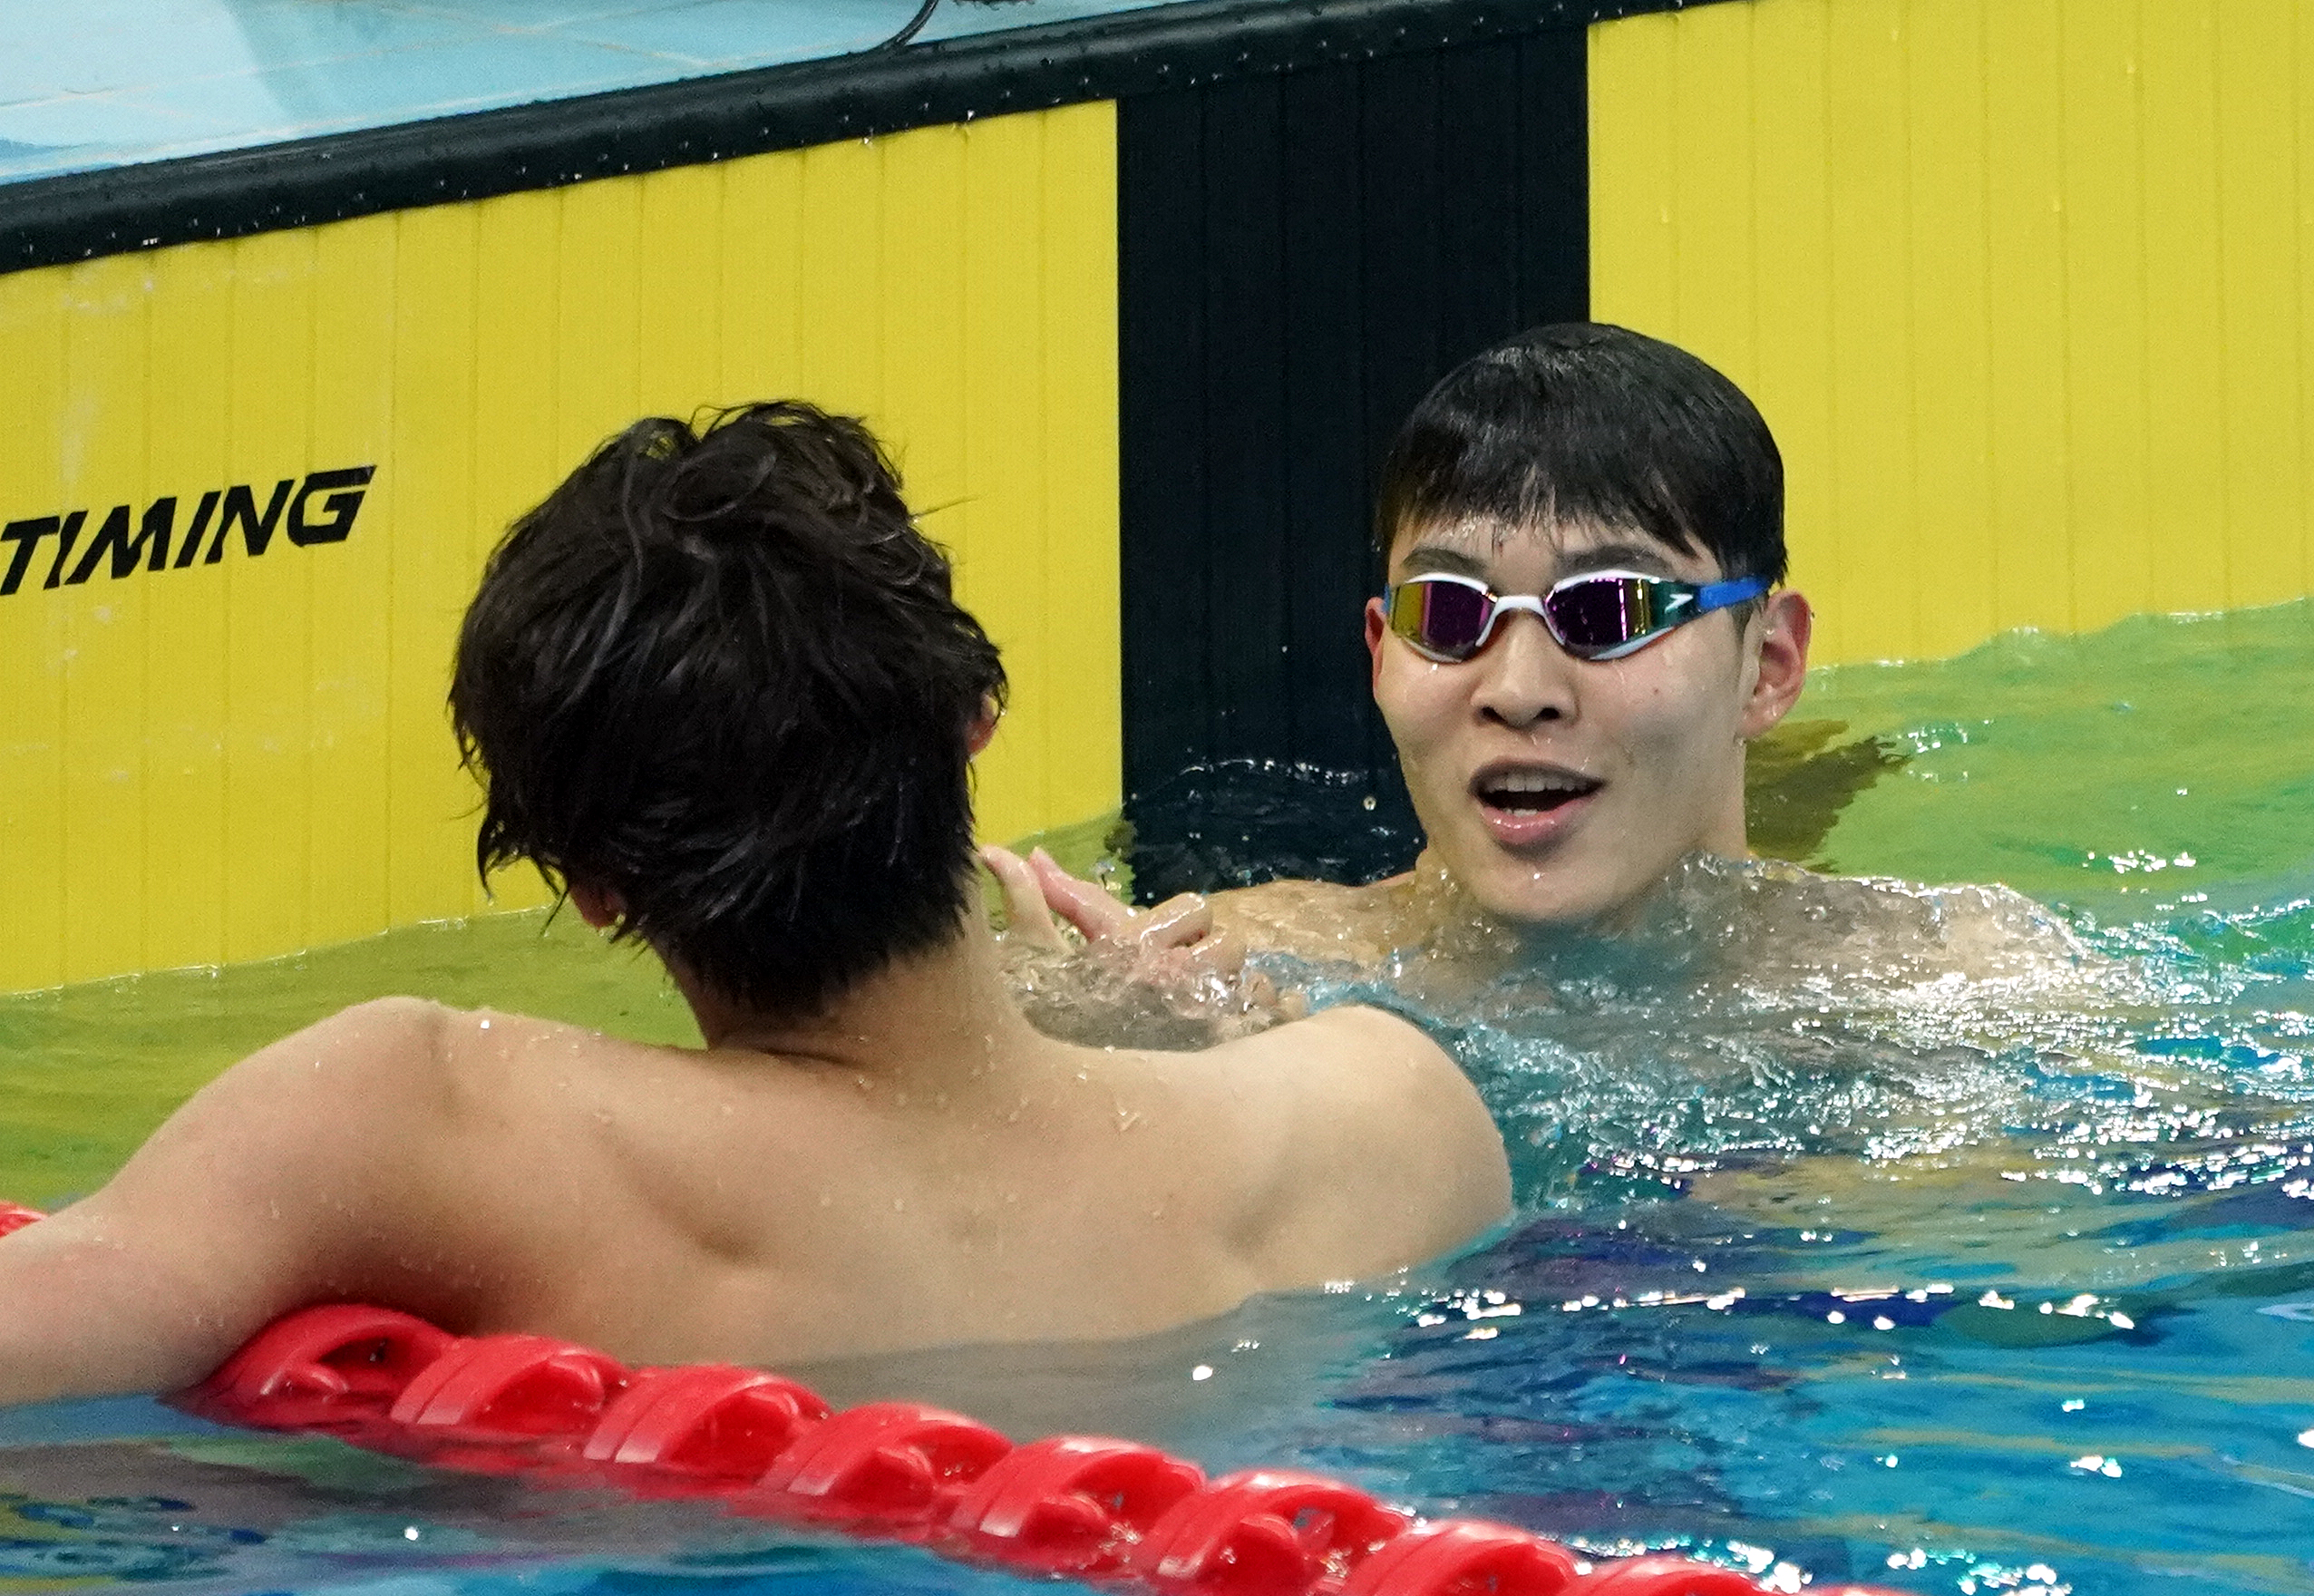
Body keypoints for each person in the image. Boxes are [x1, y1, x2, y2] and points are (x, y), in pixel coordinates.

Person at [0, 404, 1509, 1408]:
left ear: (593, 889)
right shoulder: (1382, 1118)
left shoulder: (426, 1120)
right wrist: (1192, 1038)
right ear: (975, 717)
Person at [993, 324, 2075, 989]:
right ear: (1377, 653)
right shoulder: (1227, 967)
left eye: (1606, 608)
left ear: (1769, 665)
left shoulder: (1960, 980)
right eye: (1450, 610)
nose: (1516, 689)